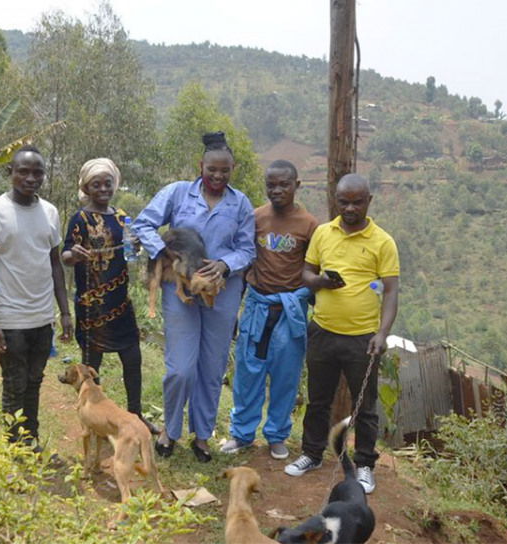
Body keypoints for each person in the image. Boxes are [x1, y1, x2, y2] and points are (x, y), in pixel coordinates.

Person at [133, 131, 255, 462]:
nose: (217, 176)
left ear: (233, 169)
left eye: (225, 171)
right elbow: (144, 224)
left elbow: (247, 249)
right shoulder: (177, 194)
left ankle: (201, 436)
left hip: (222, 293)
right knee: (180, 369)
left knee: (211, 368)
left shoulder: (240, 203)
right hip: (180, 291)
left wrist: (225, 265)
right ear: (200, 165)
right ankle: (169, 431)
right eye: (211, 169)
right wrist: (167, 255)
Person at [284, 173, 399, 495]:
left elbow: (391, 292)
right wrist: (321, 282)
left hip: (363, 338)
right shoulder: (323, 233)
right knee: (318, 400)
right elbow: (306, 274)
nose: (349, 208)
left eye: (357, 202)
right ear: (335, 200)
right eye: (343, 201)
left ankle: (364, 465)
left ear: (369, 202)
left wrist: (382, 333)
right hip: (322, 331)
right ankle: (311, 454)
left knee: (365, 406)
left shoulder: (382, 242)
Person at [0, 144, 73, 450]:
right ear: (10, 173)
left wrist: (65, 312)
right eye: (23, 171)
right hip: (10, 318)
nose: (31, 178)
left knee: (34, 382)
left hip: (42, 317)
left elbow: (55, 264)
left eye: (37, 172)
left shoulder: (50, 213)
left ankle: (30, 441)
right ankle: (12, 446)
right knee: (14, 385)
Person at [220, 160, 318, 460]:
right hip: (257, 305)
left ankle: (276, 435)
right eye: (271, 185)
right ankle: (242, 434)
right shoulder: (256, 218)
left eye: (283, 184)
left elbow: (314, 269)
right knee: (248, 373)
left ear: (296, 185)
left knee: (285, 375)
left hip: (290, 309)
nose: (277, 190)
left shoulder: (309, 225)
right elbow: (245, 261)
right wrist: (235, 309)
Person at [61, 157, 159, 435]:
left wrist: (136, 246)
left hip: (119, 303)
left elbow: (131, 254)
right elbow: (65, 254)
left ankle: (136, 416)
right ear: (86, 187)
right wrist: (74, 255)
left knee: (133, 359)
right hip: (91, 306)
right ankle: (95, 420)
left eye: (108, 183)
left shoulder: (121, 217)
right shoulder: (79, 218)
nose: (103, 188)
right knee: (92, 367)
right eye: (96, 184)